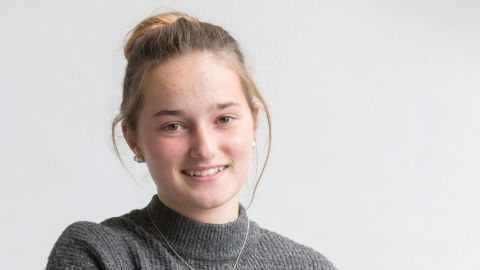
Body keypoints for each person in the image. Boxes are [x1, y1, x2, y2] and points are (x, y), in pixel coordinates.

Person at [47, 11, 337, 270]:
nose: (204, 148)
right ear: (133, 139)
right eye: (173, 126)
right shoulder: (97, 254)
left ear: (254, 123)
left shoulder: (309, 266)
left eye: (224, 119)